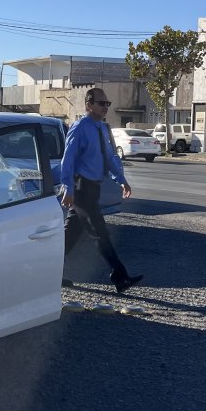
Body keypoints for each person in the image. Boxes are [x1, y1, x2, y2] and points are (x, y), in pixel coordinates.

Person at [60, 87, 143, 294]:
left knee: (70, 235)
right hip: (81, 188)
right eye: (101, 103)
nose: (106, 107)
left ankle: (47, 272)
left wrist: (121, 180)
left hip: (93, 188)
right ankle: (120, 276)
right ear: (89, 105)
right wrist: (68, 188)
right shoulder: (80, 128)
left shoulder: (103, 129)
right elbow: (68, 159)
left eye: (107, 103)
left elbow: (109, 157)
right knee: (100, 232)